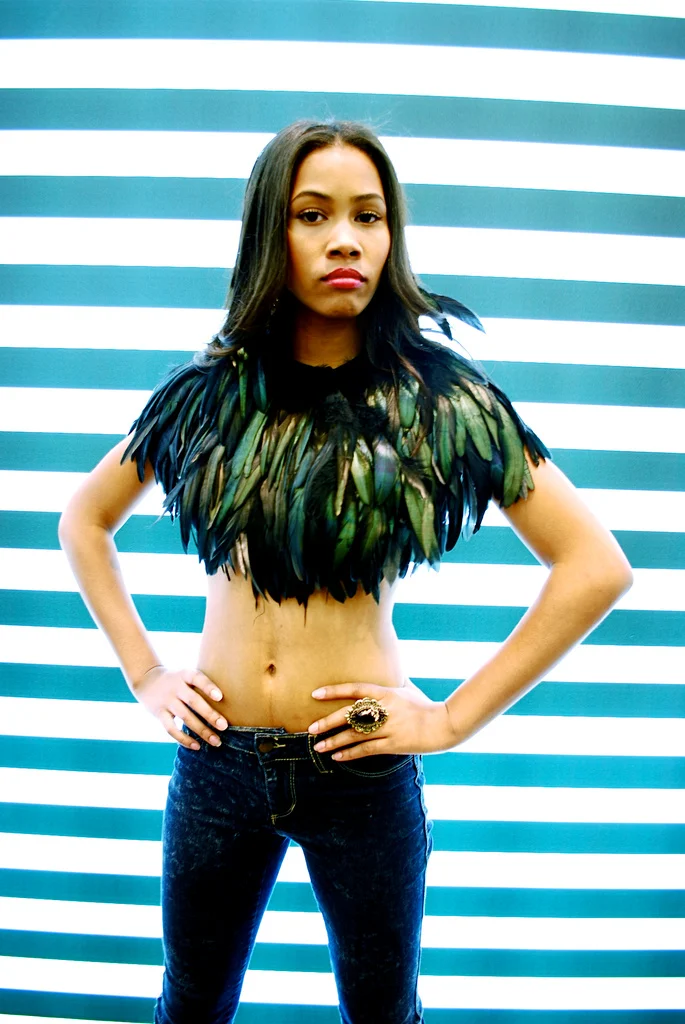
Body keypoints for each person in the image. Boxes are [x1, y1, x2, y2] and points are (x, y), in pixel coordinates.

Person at [58, 120, 634, 1024]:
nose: (345, 239)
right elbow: (83, 521)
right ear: (268, 234)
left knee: (379, 1009)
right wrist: (145, 671)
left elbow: (594, 566)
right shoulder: (208, 395)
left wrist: (448, 720)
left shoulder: (438, 401)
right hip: (217, 762)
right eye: (312, 213)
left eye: (368, 216)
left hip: (361, 766)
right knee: (192, 1002)